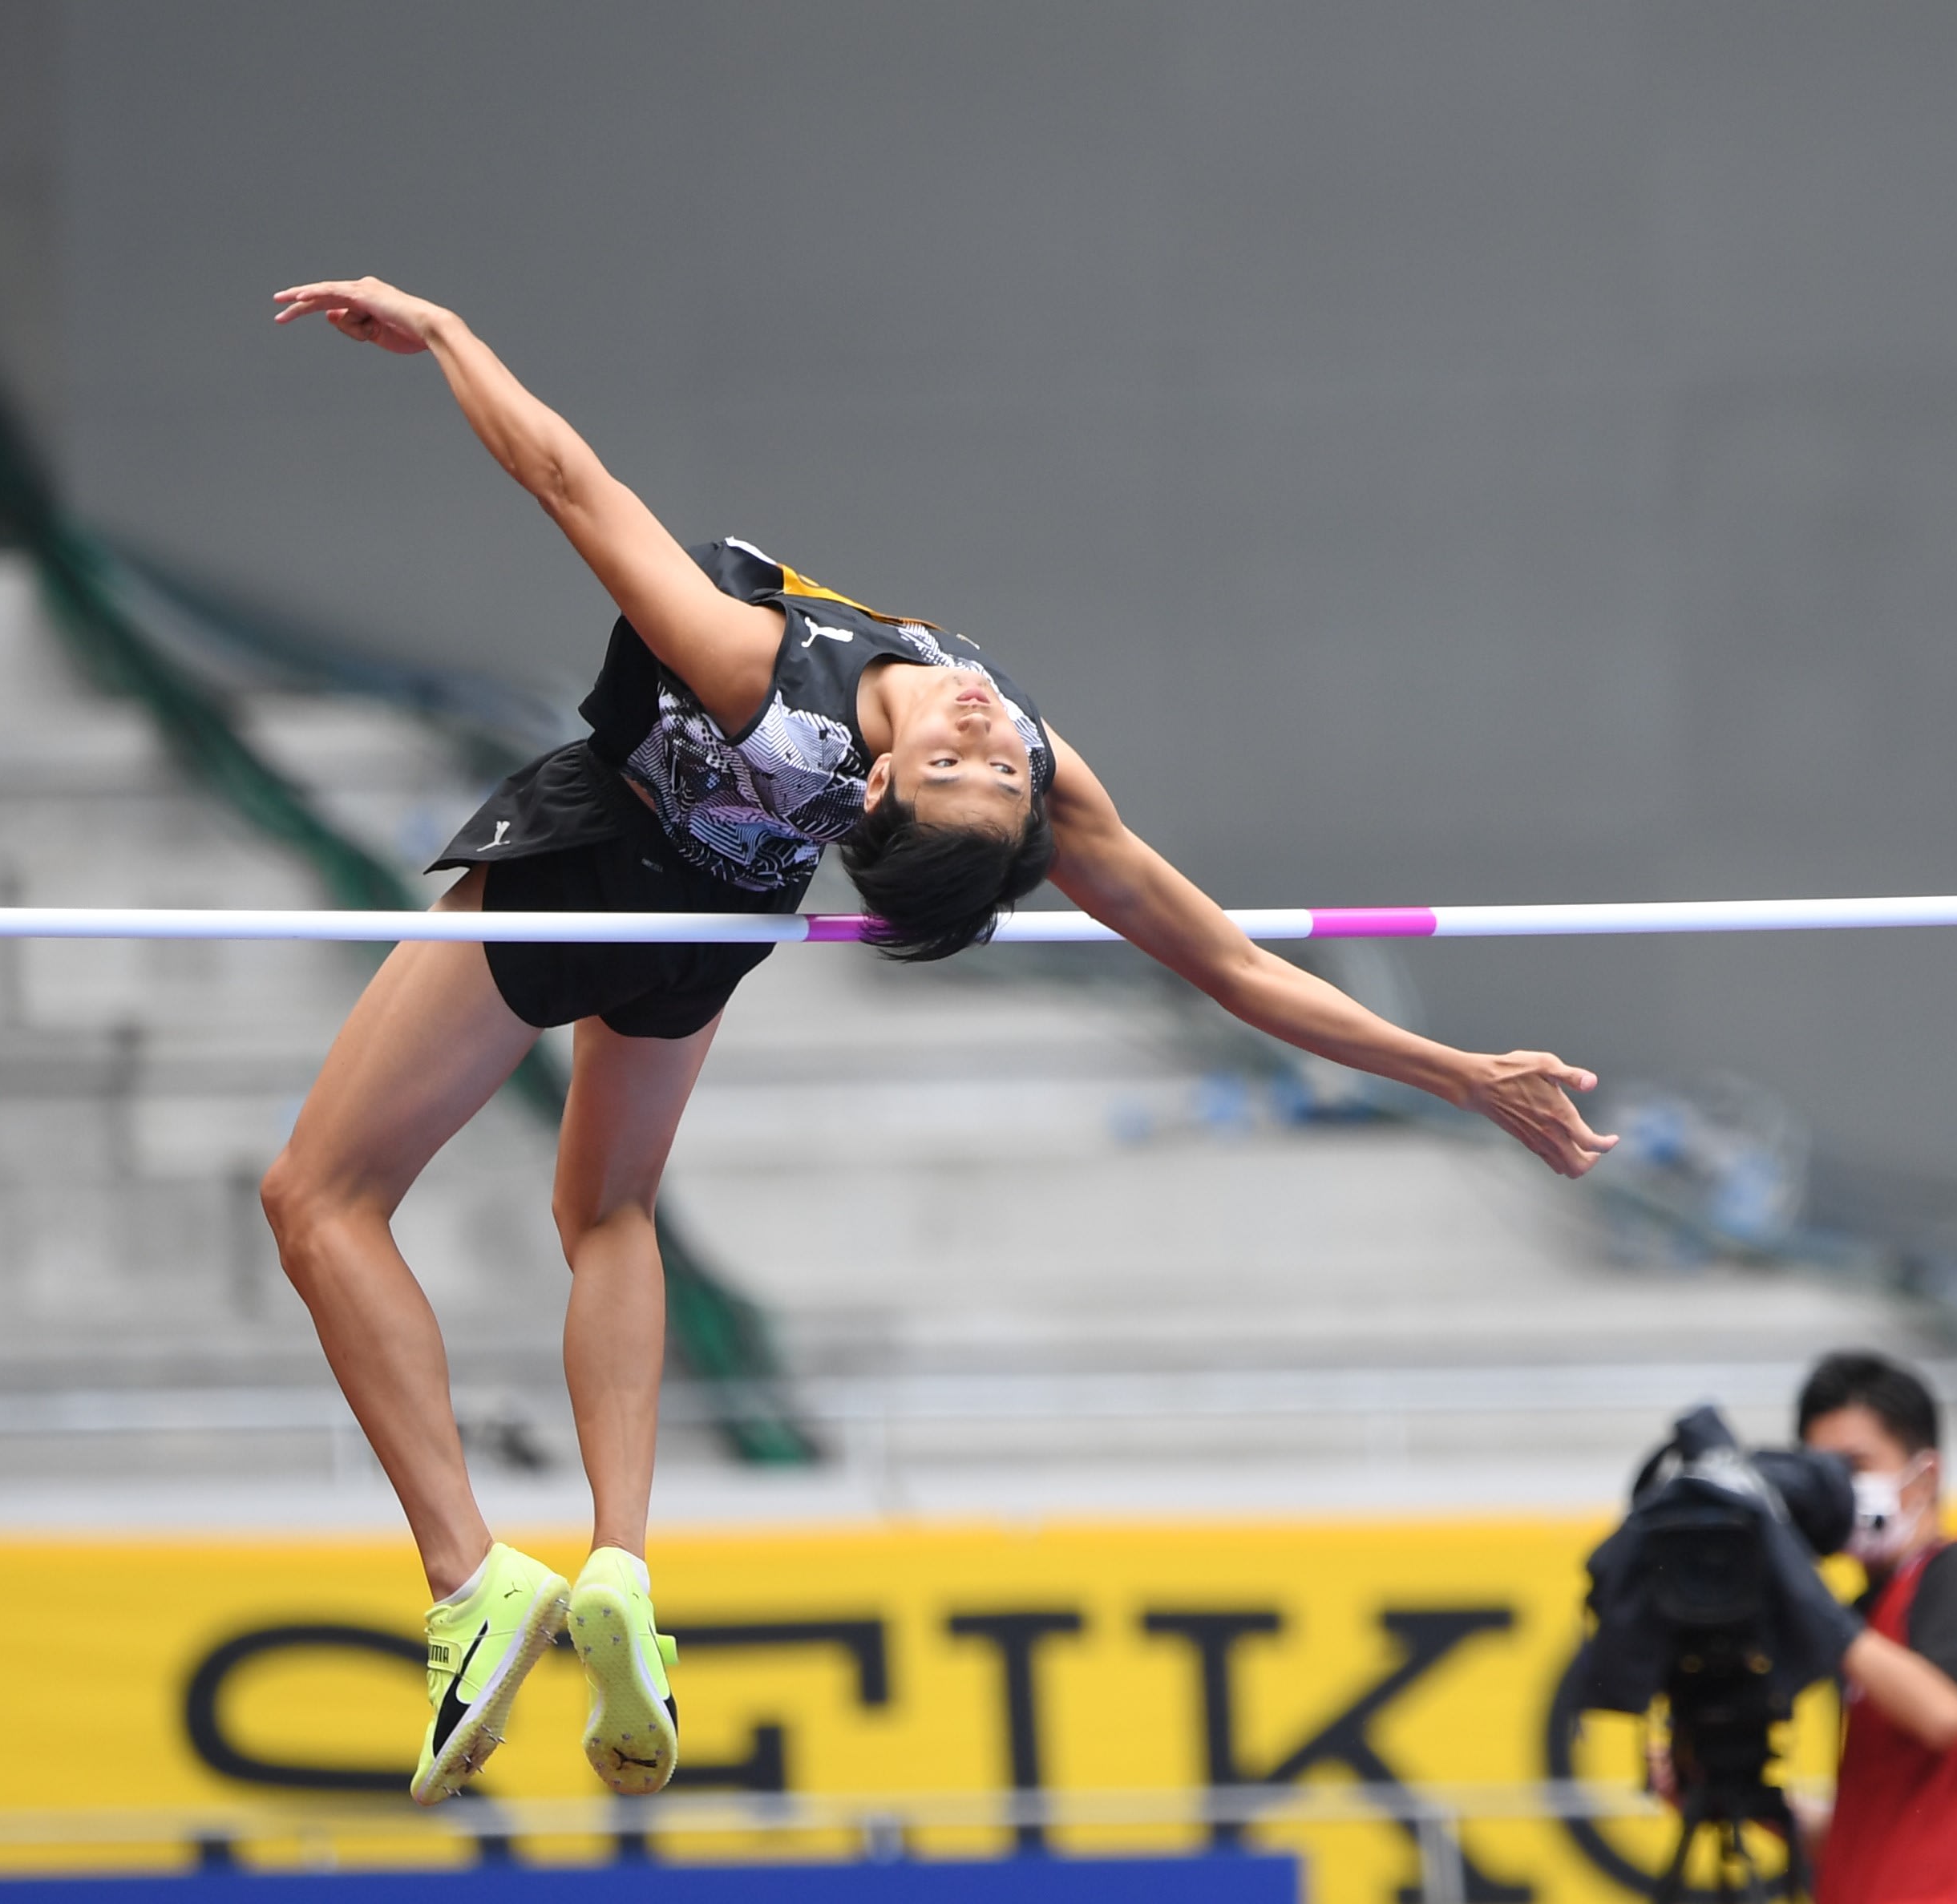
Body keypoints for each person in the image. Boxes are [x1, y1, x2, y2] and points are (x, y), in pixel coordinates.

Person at [257, 275, 1619, 1804]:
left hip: (588, 869)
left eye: (958, 764)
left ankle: (465, 1583)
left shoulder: (753, 676)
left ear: (880, 790)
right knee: (610, 1210)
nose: (979, 729)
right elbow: (1232, 967)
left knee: (320, 1198)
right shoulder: (1047, 770)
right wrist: (1459, 1075)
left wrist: (443, 336)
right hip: (716, 930)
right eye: (985, 764)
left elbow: (566, 478)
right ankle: (623, 1565)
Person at [1796, 1352, 1957, 1904]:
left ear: (1925, 1474)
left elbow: (1943, 1713)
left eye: (1854, 1465)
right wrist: (1746, 1800)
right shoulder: (1865, 1615)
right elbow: (1860, 1839)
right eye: (1819, 1472)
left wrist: (1807, 1604)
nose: (1836, 1489)